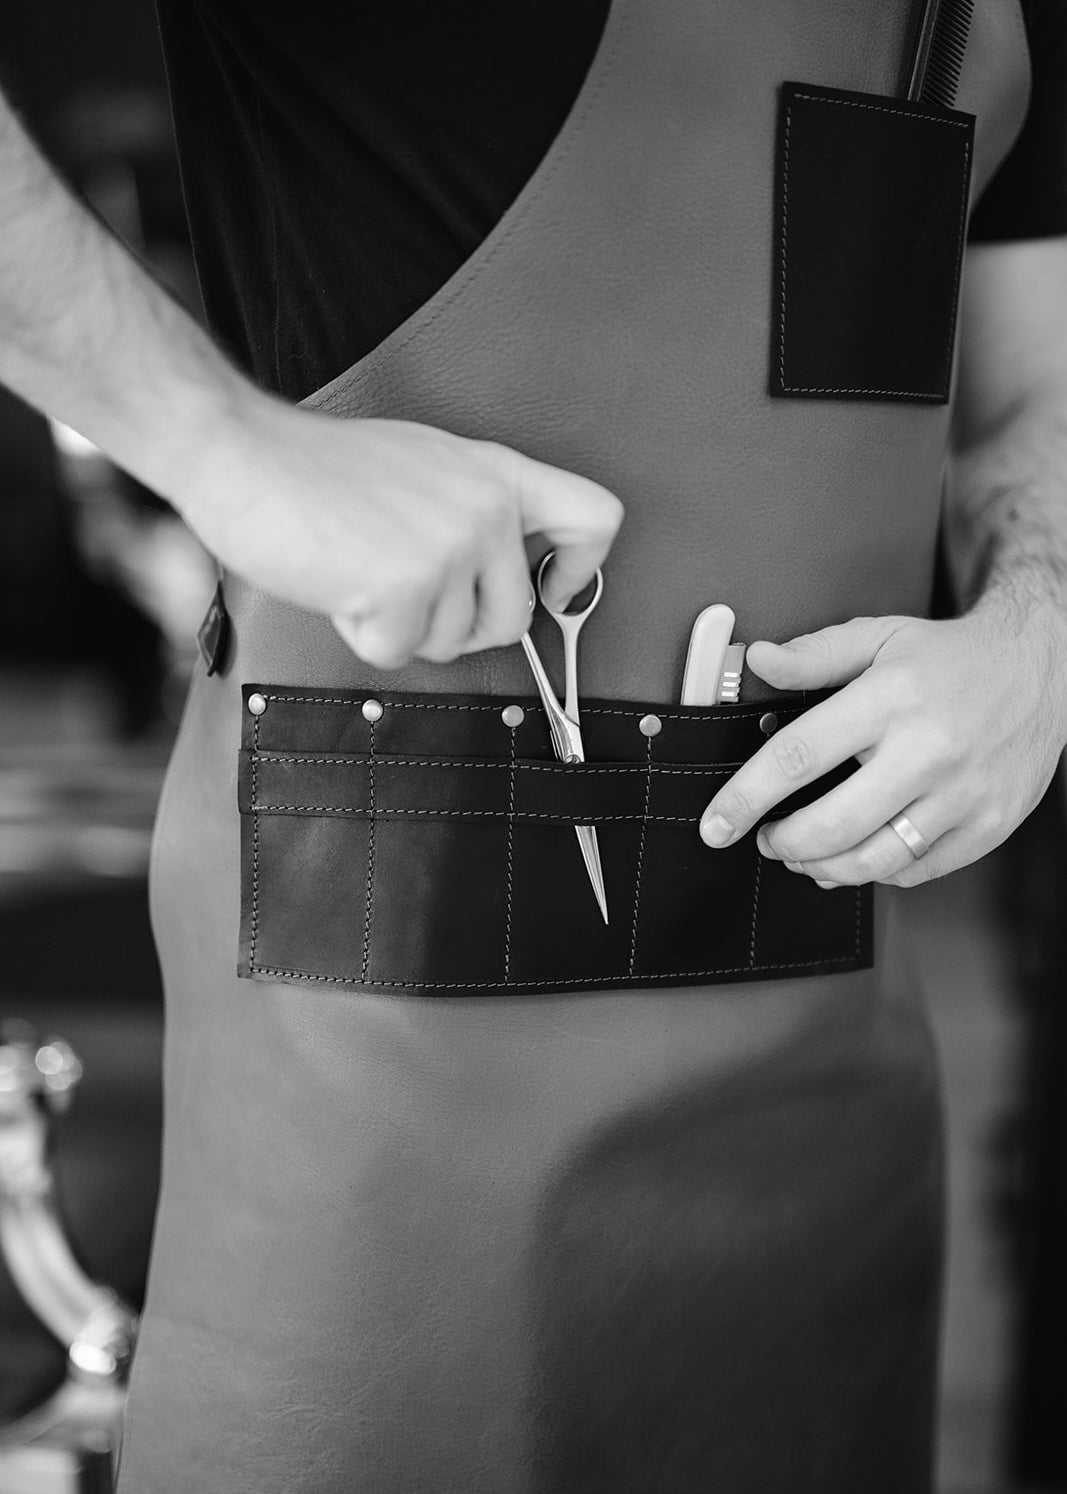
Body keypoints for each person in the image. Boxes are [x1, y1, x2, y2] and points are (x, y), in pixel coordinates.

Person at [1, 2, 1065, 1489]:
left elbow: (1030, 386)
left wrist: (1042, 632)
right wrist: (227, 454)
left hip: (830, 1094)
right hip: (388, 1063)